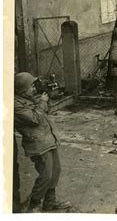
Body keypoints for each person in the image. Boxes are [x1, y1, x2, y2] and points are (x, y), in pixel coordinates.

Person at [14, 72, 71, 213]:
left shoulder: (29, 98)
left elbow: (46, 112)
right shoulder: (15, 105)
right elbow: (34, 119)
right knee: (46, 175)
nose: (34, 88)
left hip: (48, 138)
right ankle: (34, 204)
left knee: (55, 171)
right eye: (31, 85)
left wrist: (47, 98)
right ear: (22, 89)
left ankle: (50, 202)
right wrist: (43, 102)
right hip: (37, 144)